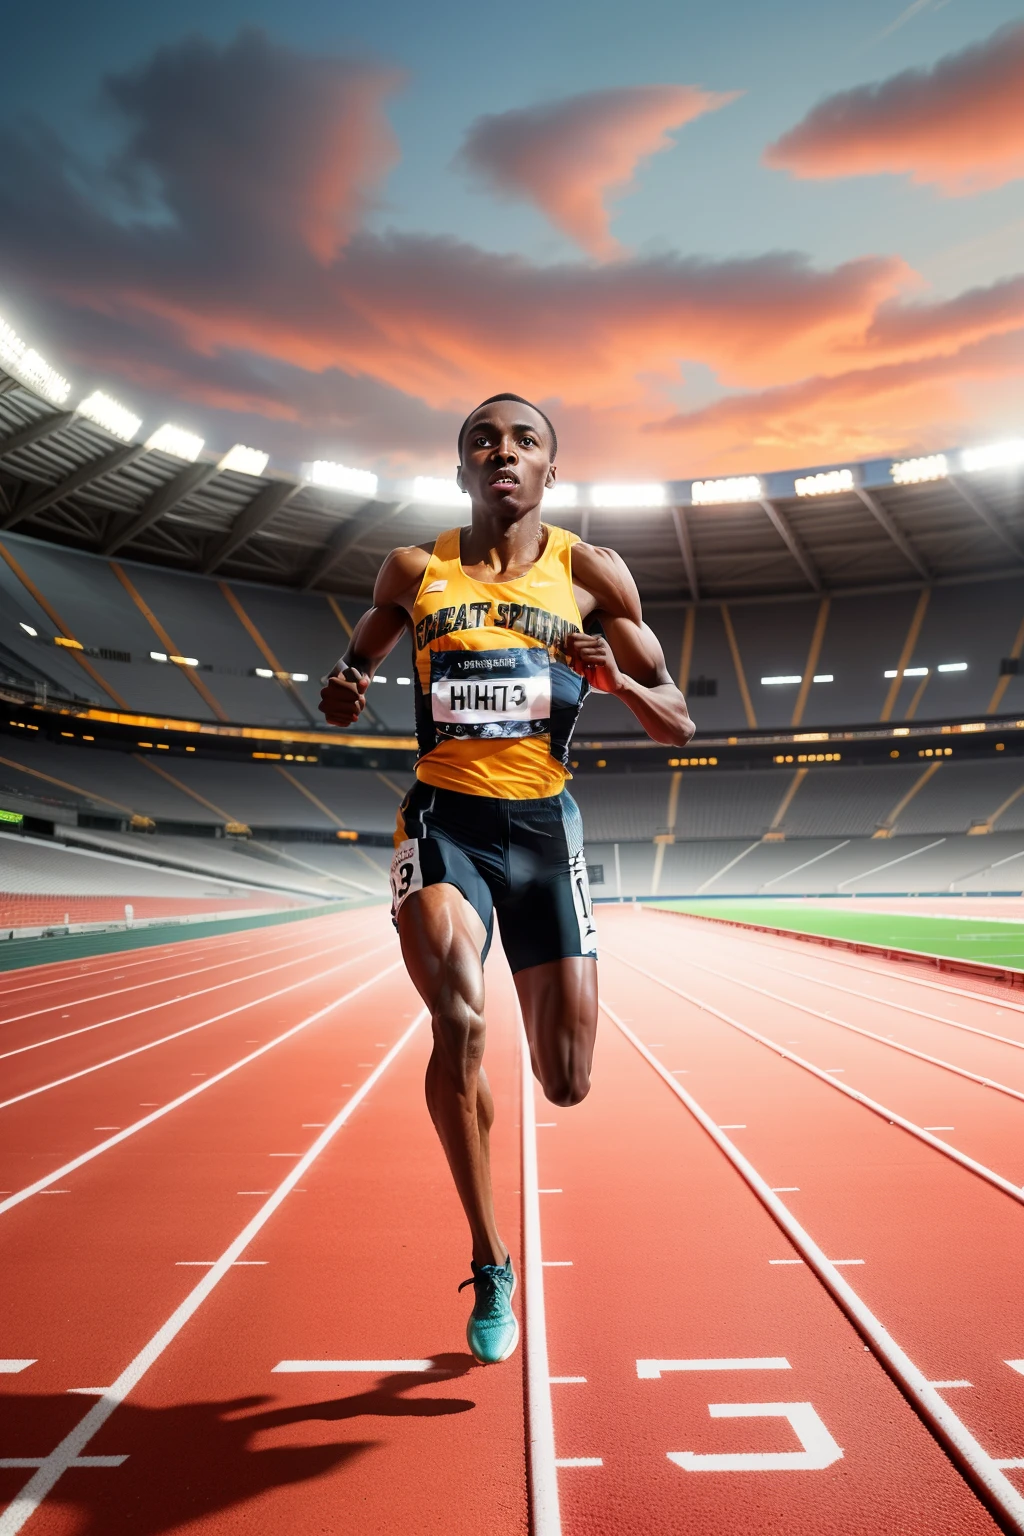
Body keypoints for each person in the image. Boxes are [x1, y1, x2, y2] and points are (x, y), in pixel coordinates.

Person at [319, 394, 694, 1364]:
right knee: (457, 1014)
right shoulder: (415, 568)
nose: (502, 451)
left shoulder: (592, 572)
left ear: (548, 473)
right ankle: (489, 1257)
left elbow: (678, 720)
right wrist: (344, 690)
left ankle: (502, 1204)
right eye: (482, 439)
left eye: (523, 439)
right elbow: (349, 672)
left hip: (544, 828)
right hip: (444, 818)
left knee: (564, 1082)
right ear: (461, 469)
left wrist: (617, 682)